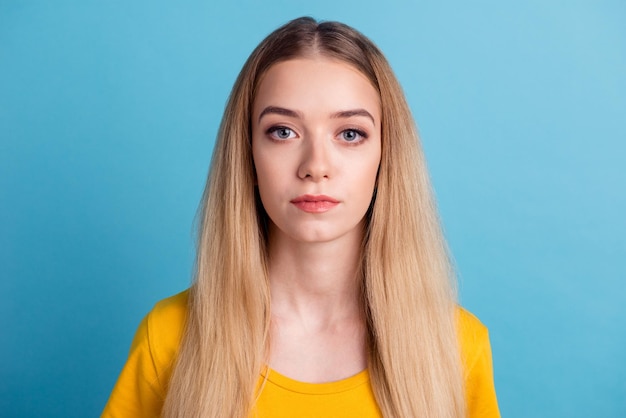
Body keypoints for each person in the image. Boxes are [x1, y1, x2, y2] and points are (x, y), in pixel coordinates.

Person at [102, 16, 500, 418]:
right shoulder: (169, 337)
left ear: (386, 159)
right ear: (247, 157)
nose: (315, 166)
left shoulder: (458, 348)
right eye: (283, 131)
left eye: (350, 134)